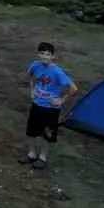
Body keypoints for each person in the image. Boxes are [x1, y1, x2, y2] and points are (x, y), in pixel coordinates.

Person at [22, 41, 77, 170]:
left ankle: (42, 158)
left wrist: (62, 100)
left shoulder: (57, 72)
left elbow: (73, 88)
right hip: (37, 104)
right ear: (38, 55)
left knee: (47, 134)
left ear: (52, 56)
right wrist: (32, 89)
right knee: (31, 131)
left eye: (47, 54)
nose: (44, 57)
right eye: (42, 54)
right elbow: (30, 76)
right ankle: (31, 154)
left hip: (51, 109)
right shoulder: (35, 65)